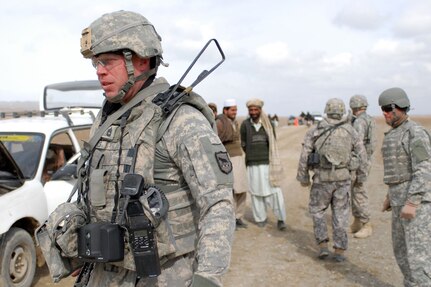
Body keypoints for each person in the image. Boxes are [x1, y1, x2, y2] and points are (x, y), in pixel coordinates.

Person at [73, 10, 235, 287]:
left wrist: (207, 278)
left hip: (164, 275)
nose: (99, 71)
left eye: (108, 61)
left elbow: (217, 204)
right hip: (103, 273)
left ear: (141, 59)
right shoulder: (106, 120)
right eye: (96, 62)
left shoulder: (181, 120)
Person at [296, 98, 368, 262]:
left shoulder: (315, 130)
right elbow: (362, 156)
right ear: (342, 110)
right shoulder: (351, 131)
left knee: (317, 211)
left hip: (321, 179)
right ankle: (339, 250)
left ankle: (322, 246)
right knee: (341, 214)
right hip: (342, 179)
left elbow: (304, 155)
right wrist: (361, 177)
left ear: (327, 110)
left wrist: (303, 177)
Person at [379, 87, 431, 286]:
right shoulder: (393, 134)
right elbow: (398, 171)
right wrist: (389, 196)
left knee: (419, 257)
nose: (384, 113)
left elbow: (424, 168)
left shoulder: (414, 133)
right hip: (399, 201)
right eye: (382, 109)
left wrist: (413, 201)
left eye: (387, 109)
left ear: (399, 107)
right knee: (401, 252)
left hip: (416, 205)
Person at [240, 98, 287, 230]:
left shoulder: (268, 124)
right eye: (251, 110)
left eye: (256, 109)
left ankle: (281, 219)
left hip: (268, 164)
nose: (253, 112)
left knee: (275, 191)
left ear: (260, 110)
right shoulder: (245, 125)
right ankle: (260, 218)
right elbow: (243, 143)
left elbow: (273, 141)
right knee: (256, 192)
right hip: (252, 165)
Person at [216, 99, 249, 229]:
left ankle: (238, 216)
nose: (235, 112)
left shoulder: (234, 122)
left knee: (242, 188)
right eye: (232, 110)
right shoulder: (219, 123)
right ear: (225, 110)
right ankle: (232, 217)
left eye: (236, 109)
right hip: (228, 159)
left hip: (239, 158)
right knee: (233, 189)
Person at [349, 95, 376, 239]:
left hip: (360, 161)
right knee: (355, 191)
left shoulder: (359, 122)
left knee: (359, 192)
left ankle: (366, 224)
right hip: (365, 160)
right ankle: (357, 221)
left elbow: (356, 144)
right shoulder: (369, 119)